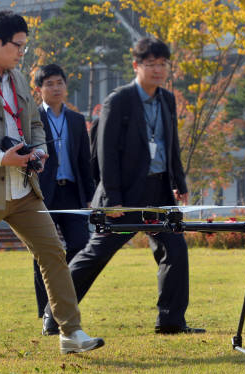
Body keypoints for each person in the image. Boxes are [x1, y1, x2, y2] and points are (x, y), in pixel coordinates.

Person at [0, 10, 104, 360]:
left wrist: (40, 152)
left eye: (24, 47)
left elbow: (34, 123)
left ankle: (70, 332)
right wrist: (3, 158)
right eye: (18, 46)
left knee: (53, 252)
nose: (21, 53)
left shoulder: (17, 79)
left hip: (24, 186)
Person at [41, 36, 203, 335]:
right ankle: (54, 314)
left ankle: (170, 321)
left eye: (163, 64)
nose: (157, 70)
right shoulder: (119, 100)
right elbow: (106, 152)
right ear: (136, 66)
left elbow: (172, 145)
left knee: (175, 249)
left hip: (158, 192)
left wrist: (179, 182)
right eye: (150, 64)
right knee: (96, 254)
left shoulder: (167, 99)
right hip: (123, 197)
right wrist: (113, 199)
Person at [33, 64, 94, 327]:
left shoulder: (77, 120)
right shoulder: (33, 119)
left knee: (81, 245)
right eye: (49, 84)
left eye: (60, 82)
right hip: (43, 194)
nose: (56, 88)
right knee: (43, 253)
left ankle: (58, 301)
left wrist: (90, 196)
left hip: (72, 192)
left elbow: (85, 161)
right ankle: (45, 311)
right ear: (39, 90)